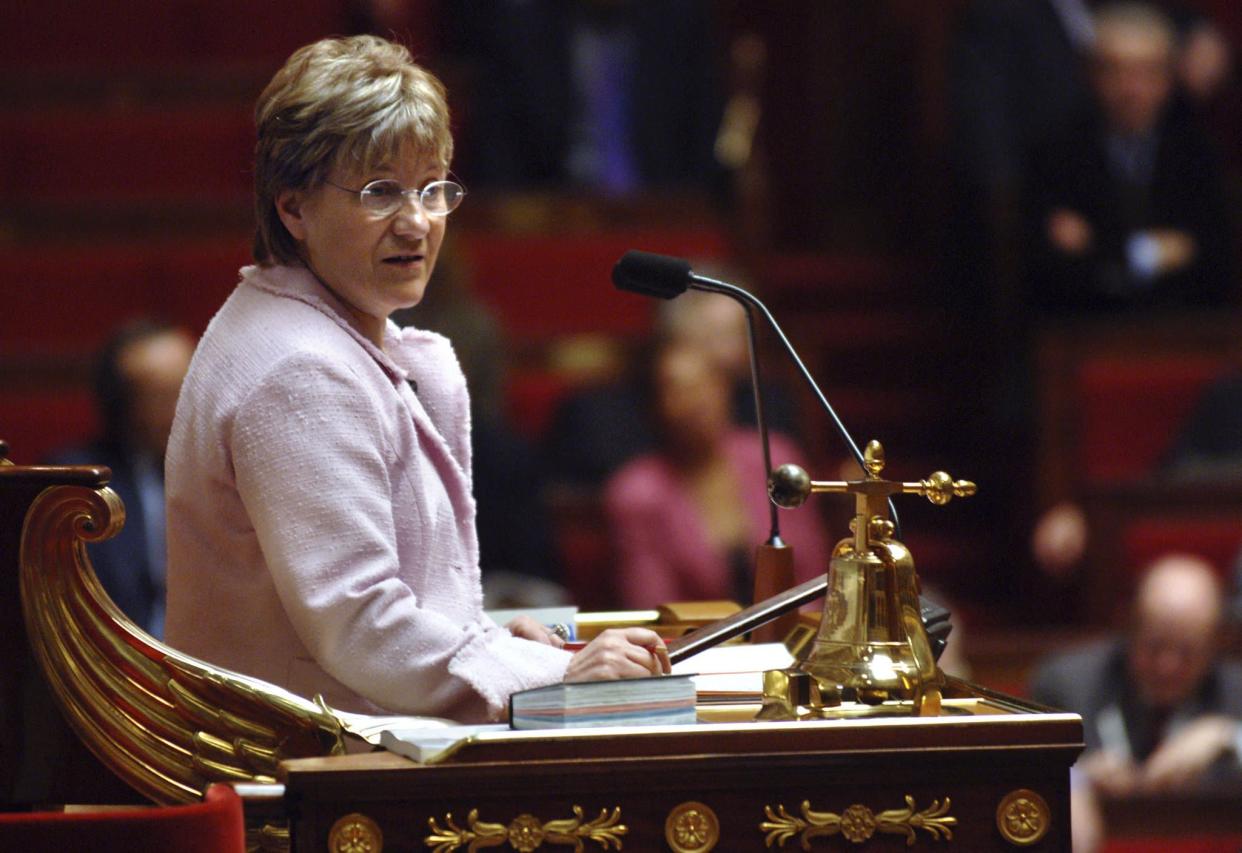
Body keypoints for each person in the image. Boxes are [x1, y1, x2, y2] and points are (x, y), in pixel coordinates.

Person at [164, 35, 669, 724]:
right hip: (307, 777)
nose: (418, 221)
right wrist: (557, 671)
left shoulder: (315, 331)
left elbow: (387, 610)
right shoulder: (299, 369)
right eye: (381, 191)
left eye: (433, 188)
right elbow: (363, 623)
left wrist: (488, 639)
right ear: (293, 208)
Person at [1025, 1, 1233, 315]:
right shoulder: (1058, 153)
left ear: (1168, 78)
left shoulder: (1197, 153)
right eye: (1116, 71)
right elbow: (1053, 269)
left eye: (1147, 72)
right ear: (1091, 74)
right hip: (1087, 332)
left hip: (1180, 328)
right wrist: (1161, 251)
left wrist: (1104, 248)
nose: (1132, 89)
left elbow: (1214, 258)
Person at [1031, 554, 1242, 849]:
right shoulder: (1067, 685)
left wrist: (1228, 737)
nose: (1167, 666)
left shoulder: (1235, 693)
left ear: (1214, 644)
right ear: (1129, 629)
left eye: (1187, 651)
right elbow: (1031, 771)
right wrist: (1077, 776)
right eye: (1154, 646)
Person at [604, 333, 828, 608]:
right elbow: (655, 608)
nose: (697, 402)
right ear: (654, 405)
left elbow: (815, 578)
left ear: (726, 388)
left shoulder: (776, 459)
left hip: (796, 638)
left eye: (705, 384)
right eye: (678, 390)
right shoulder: (636, 493)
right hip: (694, 645)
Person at [46, 320, 195, 639]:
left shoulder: (226, 470)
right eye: (165, 396)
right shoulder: (80, 487)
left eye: (192, 387)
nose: (186, 407)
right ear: (123, 407)